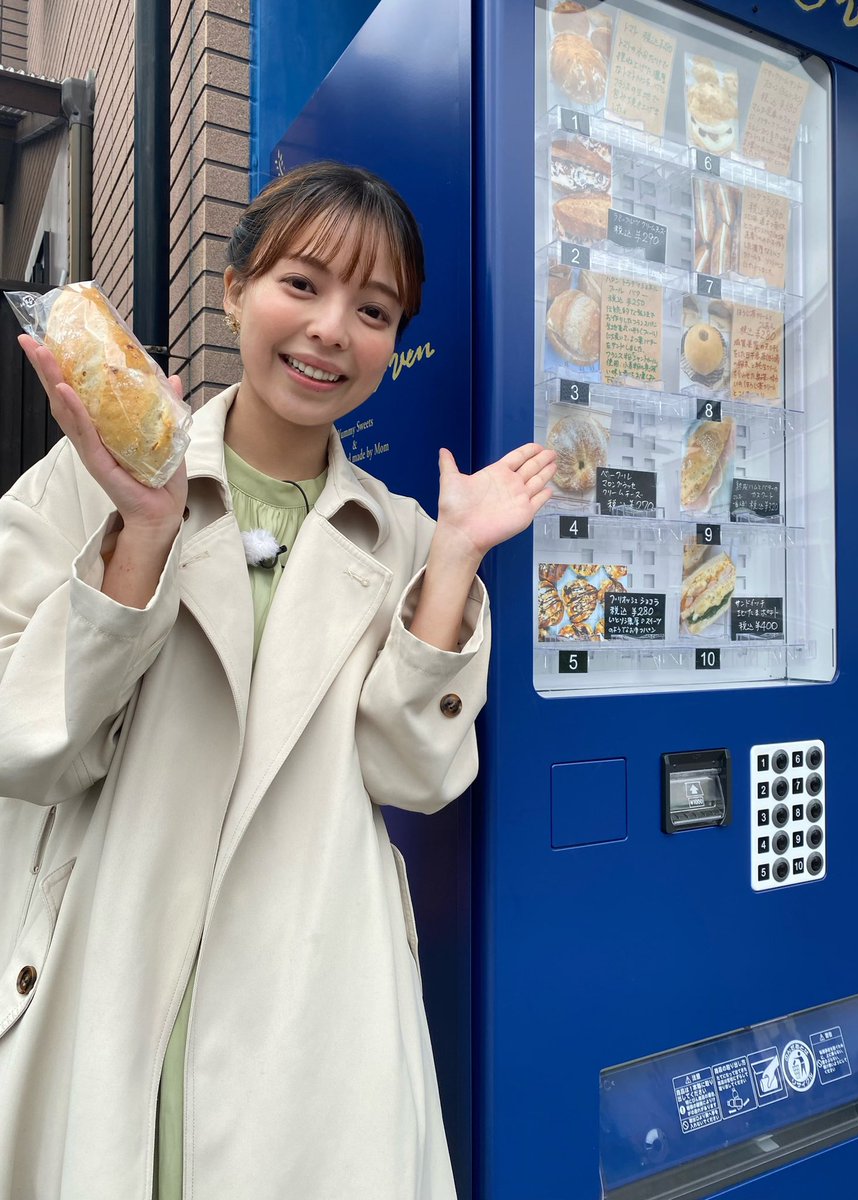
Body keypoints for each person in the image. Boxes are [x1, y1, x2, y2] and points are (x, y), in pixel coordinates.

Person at [0, 161, 555, 1200]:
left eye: (374, 308)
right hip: (110, 979)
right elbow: (24, 744)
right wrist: (143, 535)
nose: (331, 330)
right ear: (234, 289)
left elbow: (411, 774)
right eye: (301, 284)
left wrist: (453, 561)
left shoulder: (398, 536)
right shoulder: (90, 479)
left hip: (316, 1017)